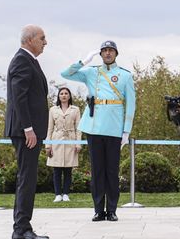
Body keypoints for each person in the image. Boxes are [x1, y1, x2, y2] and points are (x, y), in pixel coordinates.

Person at [61, 40, 135, 222]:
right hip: (94, 127)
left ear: (116, 54)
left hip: (114, 127)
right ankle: (98, 210)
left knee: (111, 171)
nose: (108, 54)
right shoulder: (92, 72)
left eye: (111, 50)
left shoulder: (125, 76)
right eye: (104, 51)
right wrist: (83, 61)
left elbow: (131, 105)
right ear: (100, 54)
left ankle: (111, 210)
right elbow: (65, 73)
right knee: (97, 171)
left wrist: (126, 130)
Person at [4, 25, 49, 239]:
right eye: (42, 38)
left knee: (28, 178)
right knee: (27, 178)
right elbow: (19, 97)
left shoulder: (30, 60)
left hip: (30, 131)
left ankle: (23, 228)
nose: (45, 42)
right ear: (29, 39)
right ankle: (21, 230)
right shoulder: (22, 60)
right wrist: (28, 128)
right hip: (26, 132)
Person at [46, 87, 82, 203]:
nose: (64, 95)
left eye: (66, 93)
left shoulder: (75, 110)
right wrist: (48, 145)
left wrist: (78, 143)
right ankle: (57, 194)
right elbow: (49, 128)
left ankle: (66, 193)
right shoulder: (53, 110)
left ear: (69, 96)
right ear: (59, 96)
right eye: (61, 93)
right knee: (56, 169)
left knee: (68, 169)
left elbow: (78, 128)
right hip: (56, 140)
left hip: (70, 140)